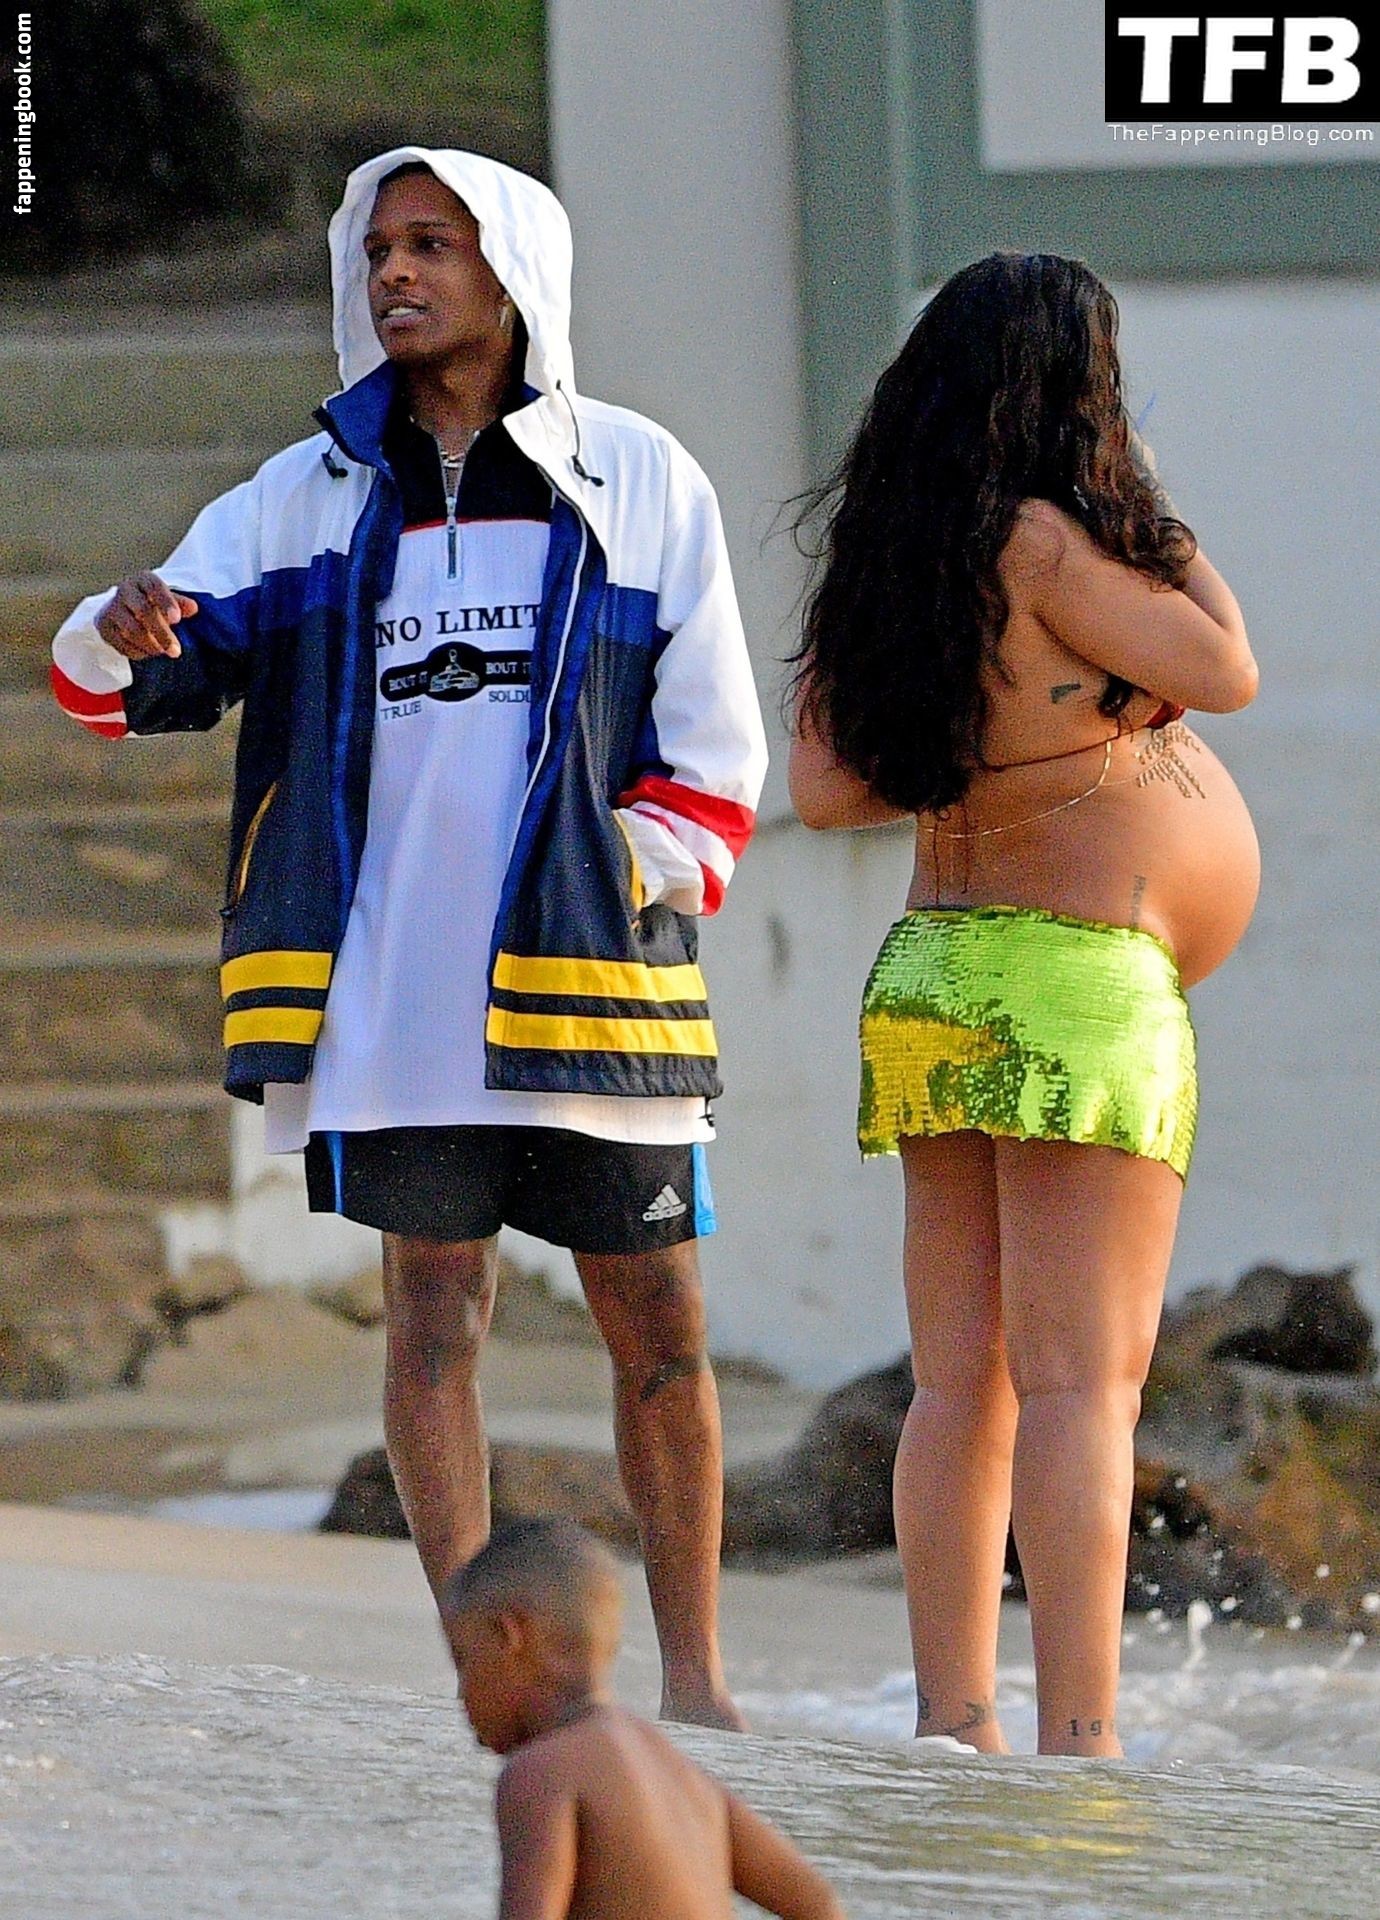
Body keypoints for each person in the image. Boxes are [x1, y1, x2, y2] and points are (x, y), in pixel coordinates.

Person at [50, 148, 767, 1730]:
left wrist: (617, 872)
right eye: (380, 247)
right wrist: (118, 628)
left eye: (435, 244)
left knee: (659, 1321)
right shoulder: (301, 495)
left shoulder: (638, 477)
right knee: (434, 1315)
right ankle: (484, 1677)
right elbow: (121, 682)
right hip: (387, 1000)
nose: (395, 272)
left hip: (593, 988)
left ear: (515, 274)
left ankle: (701, 1684)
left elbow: (714, 748)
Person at [788, 252, 1259, 1757]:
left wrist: (992, 751)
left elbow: (824, 791)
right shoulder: (1051, 543)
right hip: (1075, 987)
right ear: (1078, 395)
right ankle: (1082, 1737)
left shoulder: (884, 554)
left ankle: (953, 1719)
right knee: (1079, 1389)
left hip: (933, 974)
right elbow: (1227, 668)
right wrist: (1154, 525)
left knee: (957, 1384)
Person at [442, 1519, 845, 1920]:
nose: (464, 1694)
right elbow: (817, 1902)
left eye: (464, 1661)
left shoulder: (541, 1773)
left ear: (509, 1637)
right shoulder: (677, 1770)